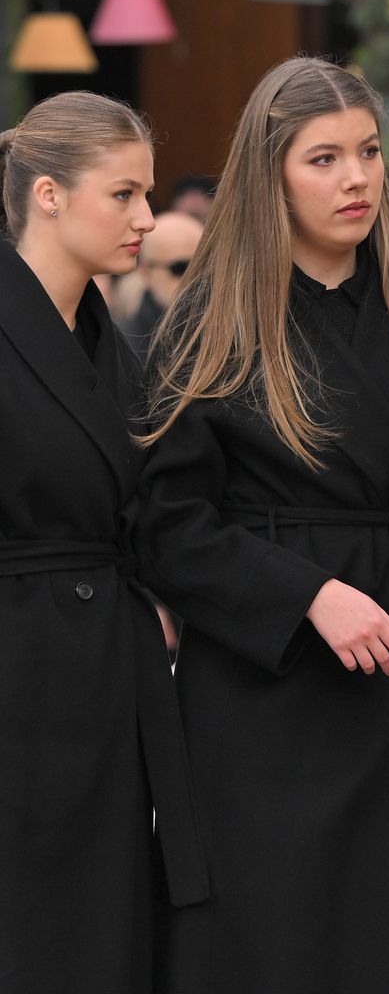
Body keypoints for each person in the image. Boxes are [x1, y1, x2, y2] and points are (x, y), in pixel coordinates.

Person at [136, 56, 389, 993]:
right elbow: (166, 526)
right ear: (269, 174)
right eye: (323, 159)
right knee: (276, 944)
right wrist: (308, 597)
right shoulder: (211, 326)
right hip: (266, 701)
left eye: (365, 152)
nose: (356, 178)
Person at [0, 92, 207, 992]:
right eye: (121, 195)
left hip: (106, 683)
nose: (146, 218)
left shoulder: (113, 343)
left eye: (146, 194)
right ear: (48, 194)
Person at [120, 210, 203, 363]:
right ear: (147, 273)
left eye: (203, 266)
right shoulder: (120, 346)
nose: (193, 278)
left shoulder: (228, 338)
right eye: (180, 268)